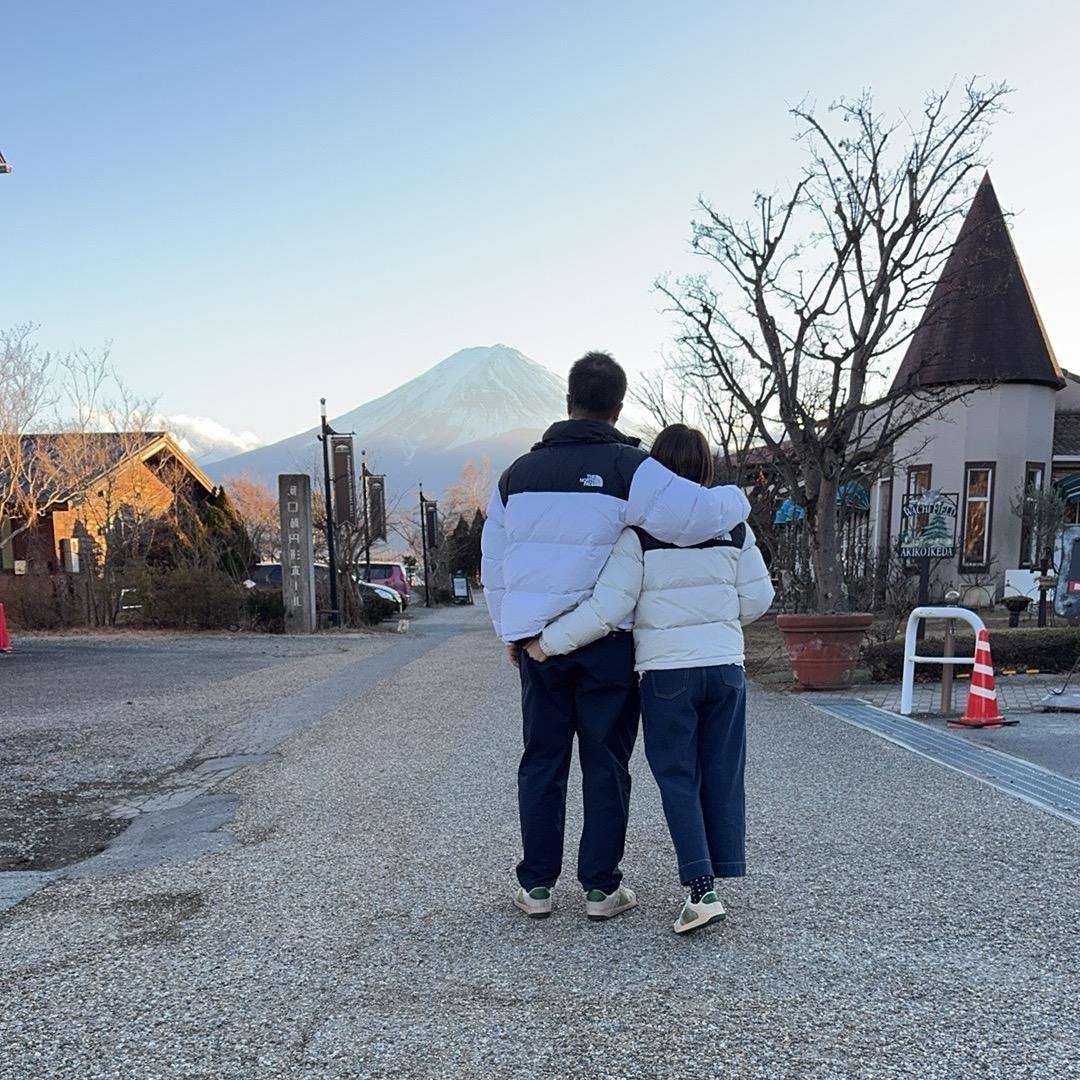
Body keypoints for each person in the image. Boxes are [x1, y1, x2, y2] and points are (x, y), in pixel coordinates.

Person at [481, 354, 750, 922]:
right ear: (619, 405)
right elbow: (698, 515)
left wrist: (511, 631)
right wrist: (741, 499)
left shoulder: (513, 477)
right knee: (606, 760)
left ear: (568, 401)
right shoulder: (630, 467)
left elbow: (495, 563)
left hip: (537, 643)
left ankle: (536, 886)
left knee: (542, 759)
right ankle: (601, 888)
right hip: (607, 644)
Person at [524, 423, 773, 934]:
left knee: (677, 776)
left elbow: (608, 607)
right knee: (722, 773)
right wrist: (718, 625)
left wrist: (544, 644)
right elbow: (758, 599)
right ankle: (713, 883)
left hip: (666, 675)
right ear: (706, 470)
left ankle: (700, 890)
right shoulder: (735, 529)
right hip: (725, 669)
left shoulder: (639, 535)